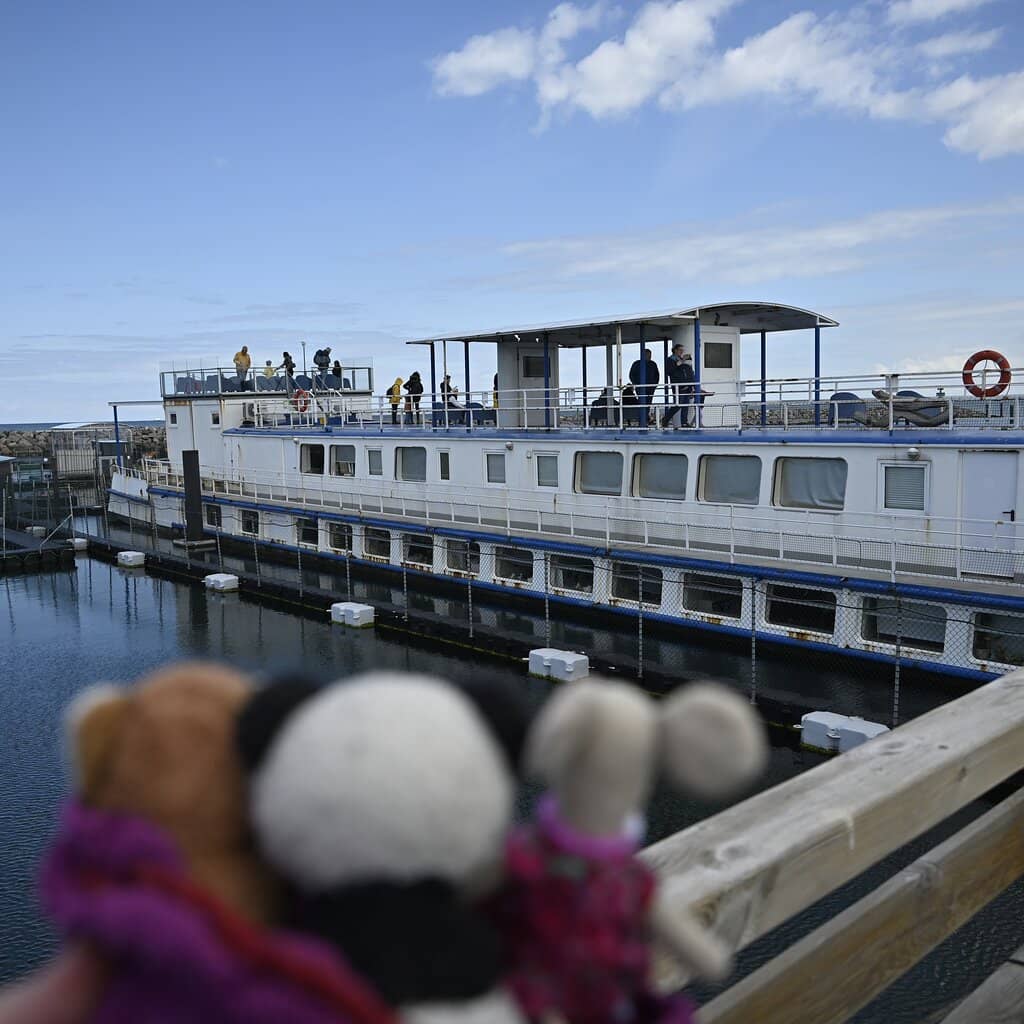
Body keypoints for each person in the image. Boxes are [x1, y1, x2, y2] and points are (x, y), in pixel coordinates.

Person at [662, 347, 695, 427]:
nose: (682, 351)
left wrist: (692, 386)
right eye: (680, 350)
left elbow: (690, 373)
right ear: (675, 350)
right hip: (678, 386)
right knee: (678, 405)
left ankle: (684, 422)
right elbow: (670, 371)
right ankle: (665, 419)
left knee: (685, 405)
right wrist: (682, 360)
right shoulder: (670, 360)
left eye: (682, 350)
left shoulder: (683, 361)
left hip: (687, 386)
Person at [627, 348, 660, 425]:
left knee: (648, 404)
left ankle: (644, 420)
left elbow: (657, 375)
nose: (649, 356)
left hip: (650, 388)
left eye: (650, 355)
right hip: (640, 388)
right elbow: (631, 375)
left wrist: (654, 385)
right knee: (642, 403)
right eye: (647, 354)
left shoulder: (653, 364)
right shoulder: (637, 363)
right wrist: (636, 384)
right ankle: (641, 420)